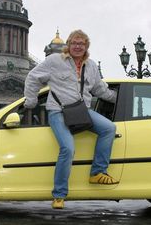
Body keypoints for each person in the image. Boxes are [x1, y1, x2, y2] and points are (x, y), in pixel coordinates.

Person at [24, 30, 118, 210]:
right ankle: (59, 195)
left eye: (81, 44)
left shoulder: (90, 66)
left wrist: (120, 98)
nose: (77, 46)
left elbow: (99, 89)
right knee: (68, 148)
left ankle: (97, 172)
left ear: (86, 46)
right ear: (68, 44)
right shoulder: (54, 61)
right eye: (74, 43)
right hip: (58, 111)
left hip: (81, 111)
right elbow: (33, 77)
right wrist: (31, 100)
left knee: (108, 128)